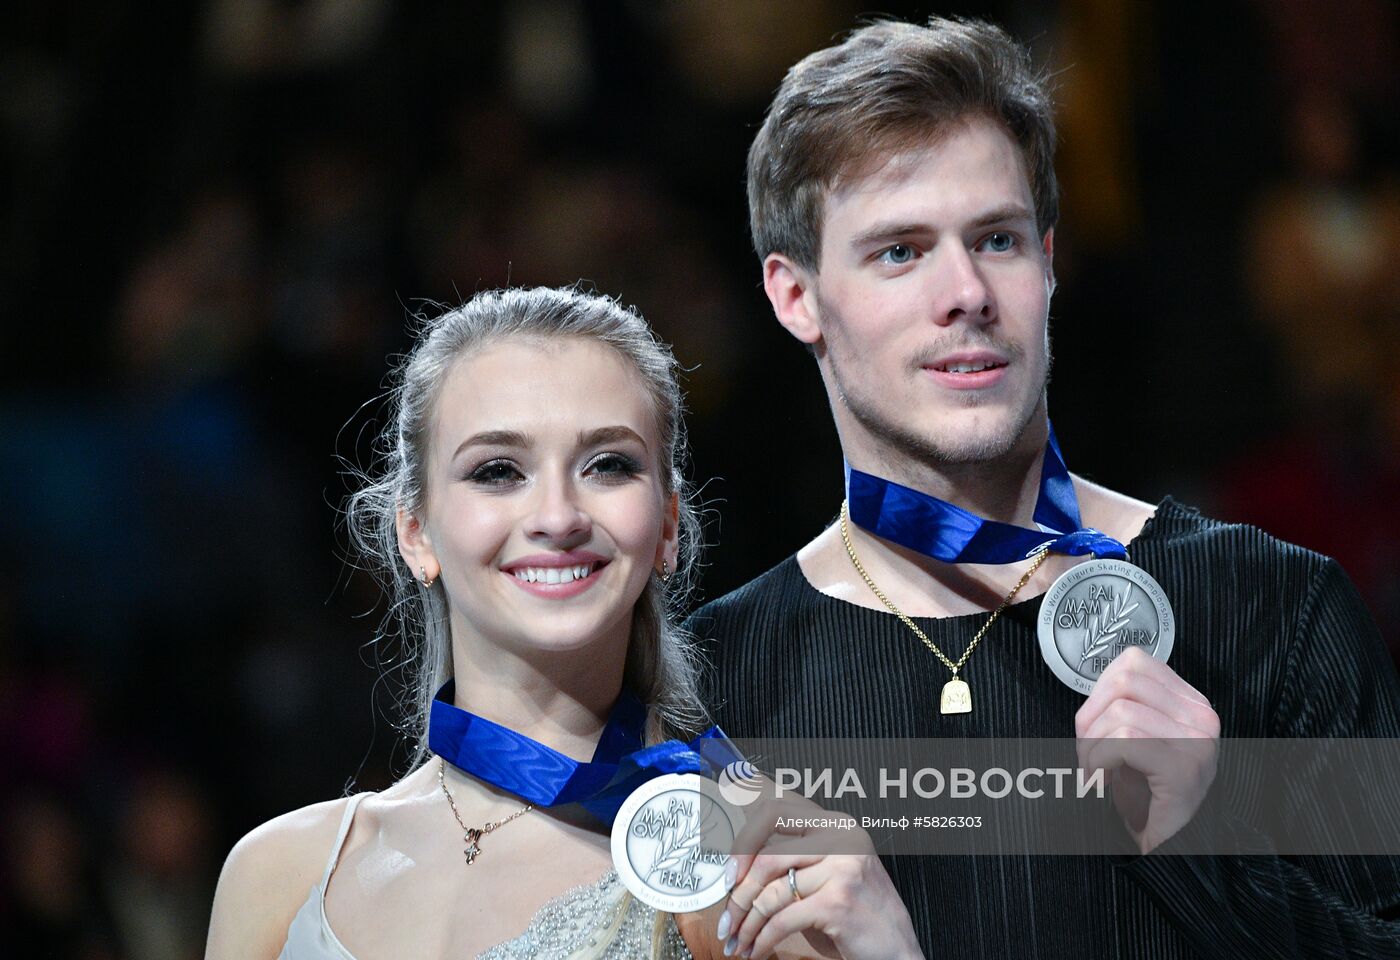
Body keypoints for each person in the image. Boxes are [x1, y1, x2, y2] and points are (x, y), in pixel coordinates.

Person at [687, 17, 1400, 959]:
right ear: (796, 297)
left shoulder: (1279, 609)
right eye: (900, 251)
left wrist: (1201, 840)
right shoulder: (718, 686)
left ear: (1050, 262)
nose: (967, 292)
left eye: (997, 239)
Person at [204, 286, 922, 959]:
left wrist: (890, 948)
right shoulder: (279, 872)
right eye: (497, 471)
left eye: (607, 465)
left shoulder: (749, 862)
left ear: (667, 526)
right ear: (416, 532)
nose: (557, 517)